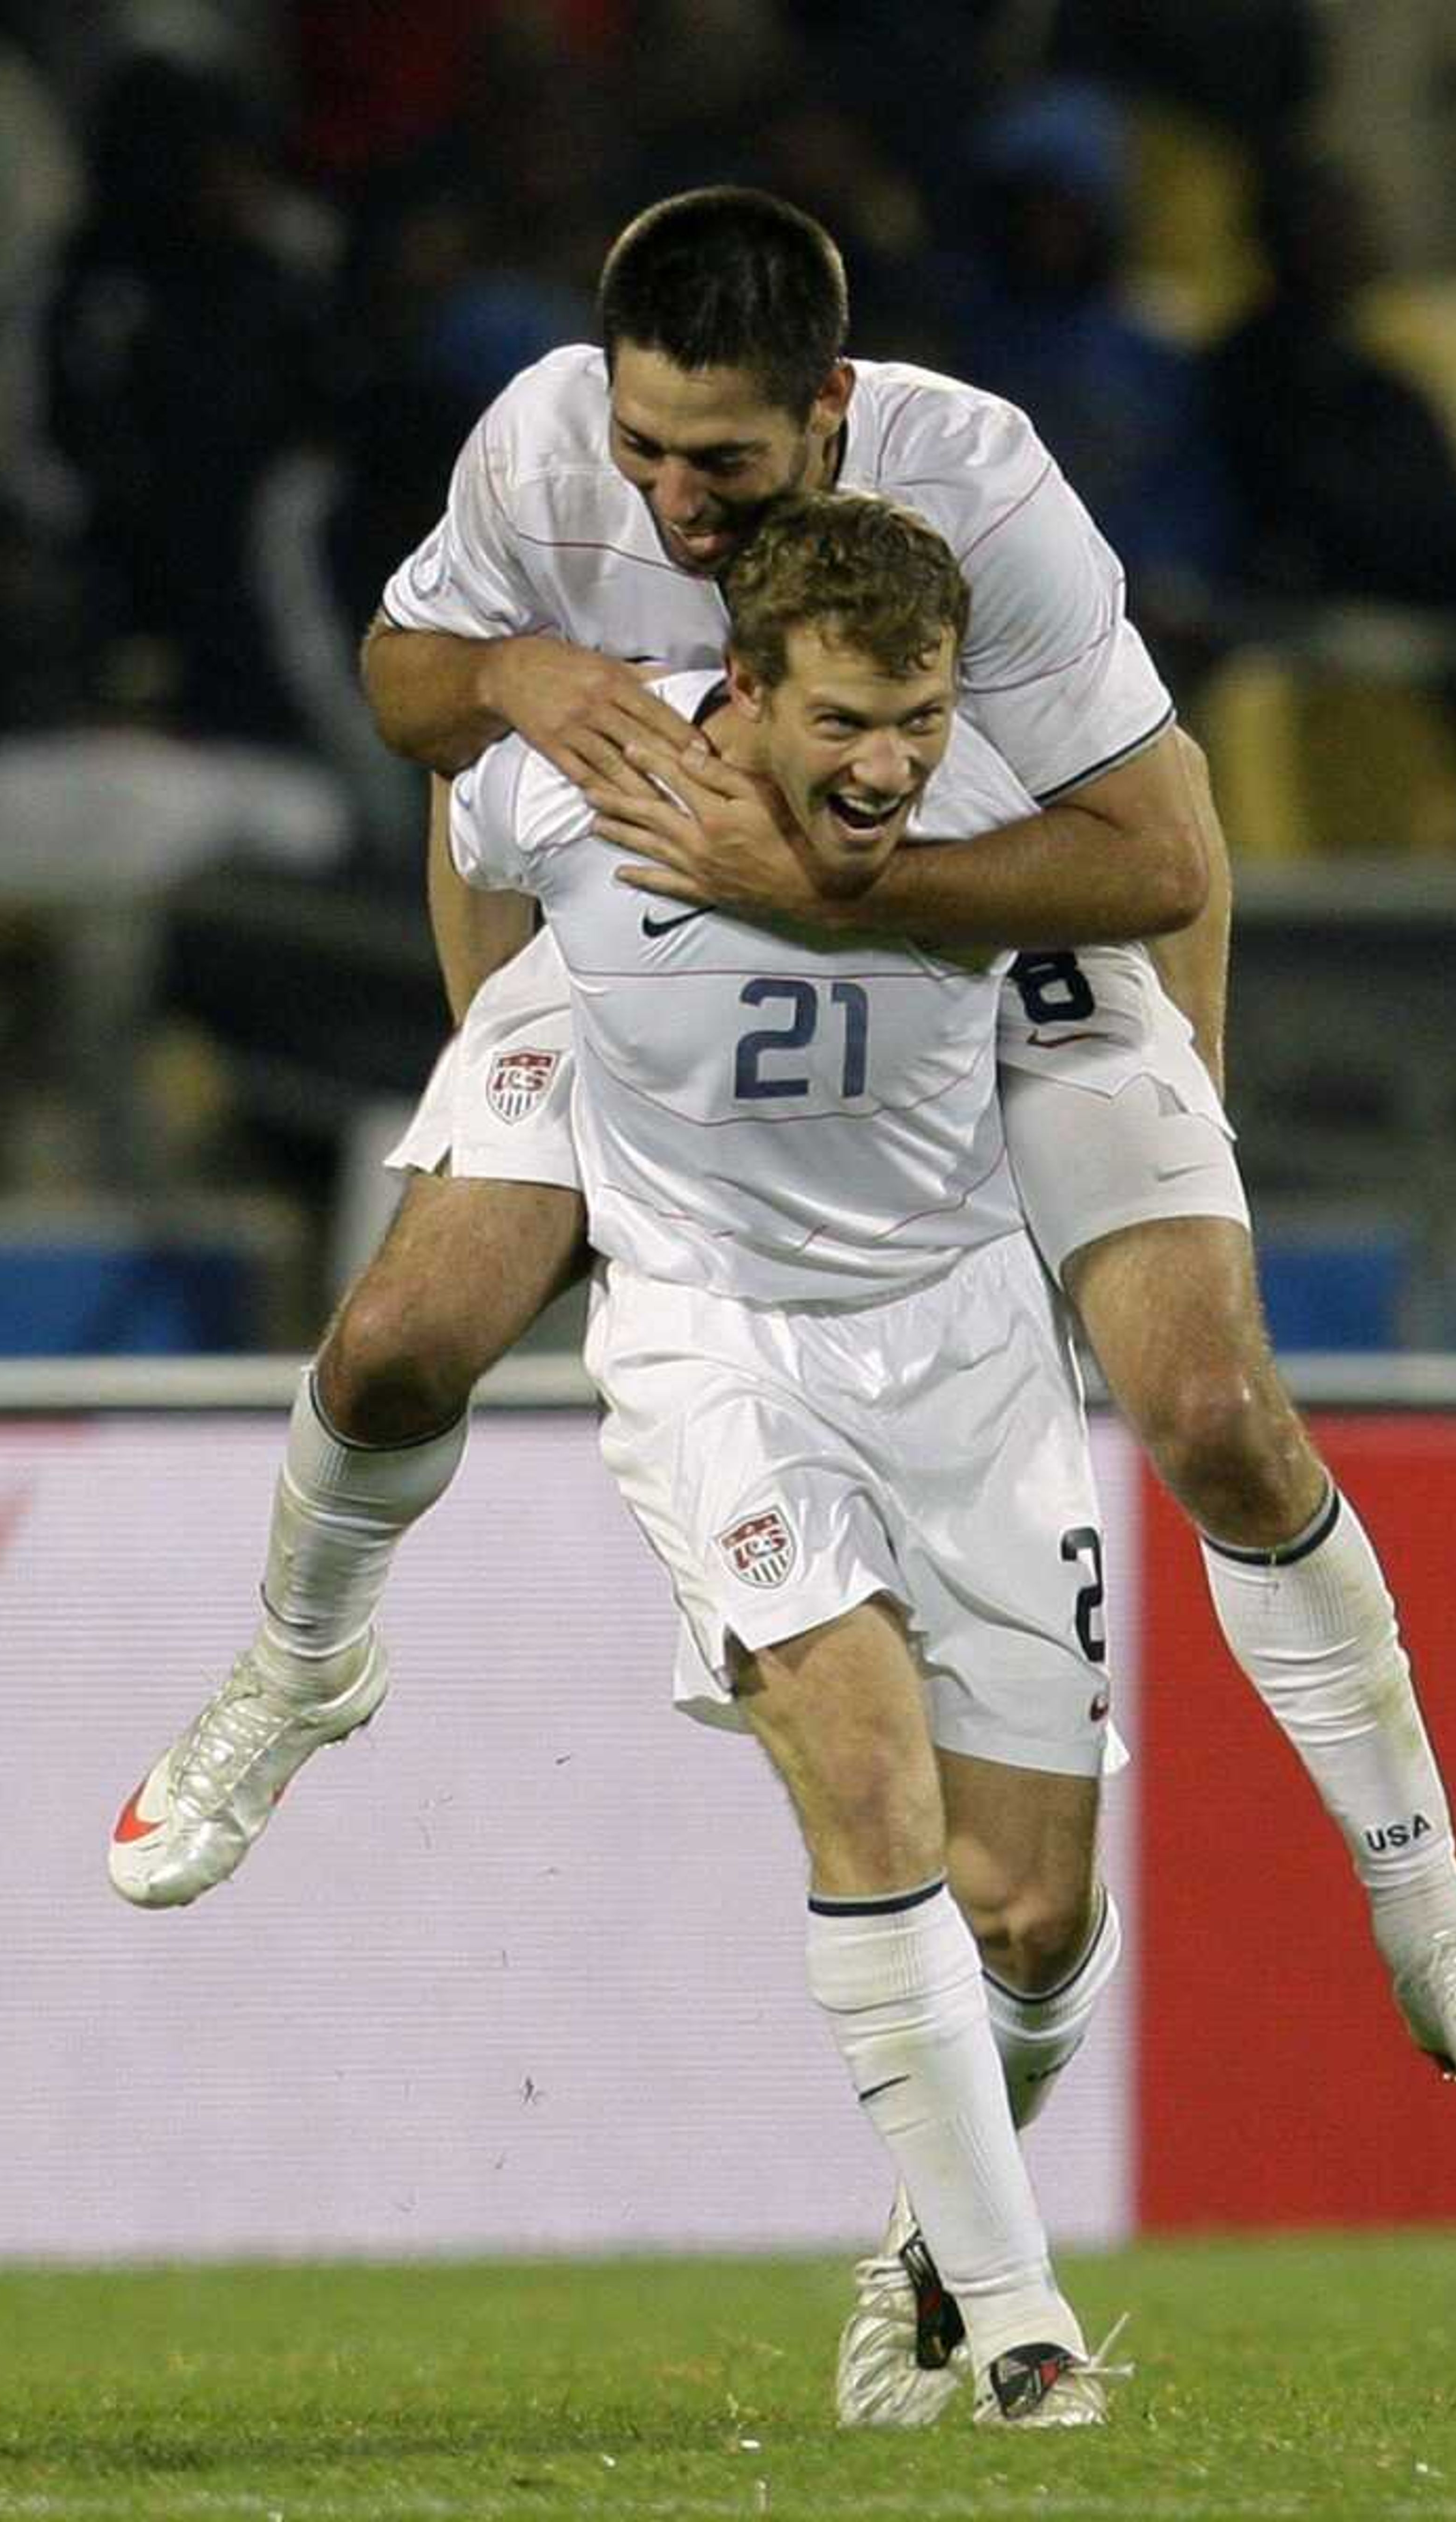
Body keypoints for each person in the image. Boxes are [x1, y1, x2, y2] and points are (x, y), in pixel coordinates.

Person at [110, 192, 1456, 2174]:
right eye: (640, 448)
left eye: (716, 463)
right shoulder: (549, 444)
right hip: (668, 948)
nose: (664, 498)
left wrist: (899, 923)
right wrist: (516, 681)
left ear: (829, 408)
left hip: (991, 927)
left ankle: (1437, 1922)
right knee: (393, 1343)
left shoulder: (987, 486)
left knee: (1219, 1410)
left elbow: (1160, 850)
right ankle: (298, 1674)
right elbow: (413, 693)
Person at [453, 489, 1130, 2422]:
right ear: (740, 684)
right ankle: (1022, 2331)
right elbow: (457, 812)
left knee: (1032, 1912)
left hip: (977, 1344)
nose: (890, 764)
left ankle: (936, 2232)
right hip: (714, 1338)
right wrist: (493, 1045)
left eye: (914, 717)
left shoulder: (1005, 789)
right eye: (844, 721)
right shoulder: (581, 781)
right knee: (865, 1766)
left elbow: (1164, 860)